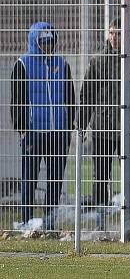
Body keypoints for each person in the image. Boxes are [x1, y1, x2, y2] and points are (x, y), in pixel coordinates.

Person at [78, 18, 130, 231]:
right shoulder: (98, 61)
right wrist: (81, 124)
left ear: (128, 35)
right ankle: (101, 223)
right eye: (111, 33)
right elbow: (87, 95)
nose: (114, 37)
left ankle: (129, 223)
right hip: (103, 128)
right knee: (100, 177)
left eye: (119, 33)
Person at [11, 22, 75, 231]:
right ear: (35, 41)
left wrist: (68, 127)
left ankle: (49, 221)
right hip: (32, 132)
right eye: (43, 41)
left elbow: (70, 97)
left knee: (55, 179)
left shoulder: (62, 63)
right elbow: (17, 100)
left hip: (58, 132)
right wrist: (22, 129)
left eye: (51, 40)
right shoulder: (23, 63)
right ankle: (27, 220)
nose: (47, 45)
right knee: (29, 177)